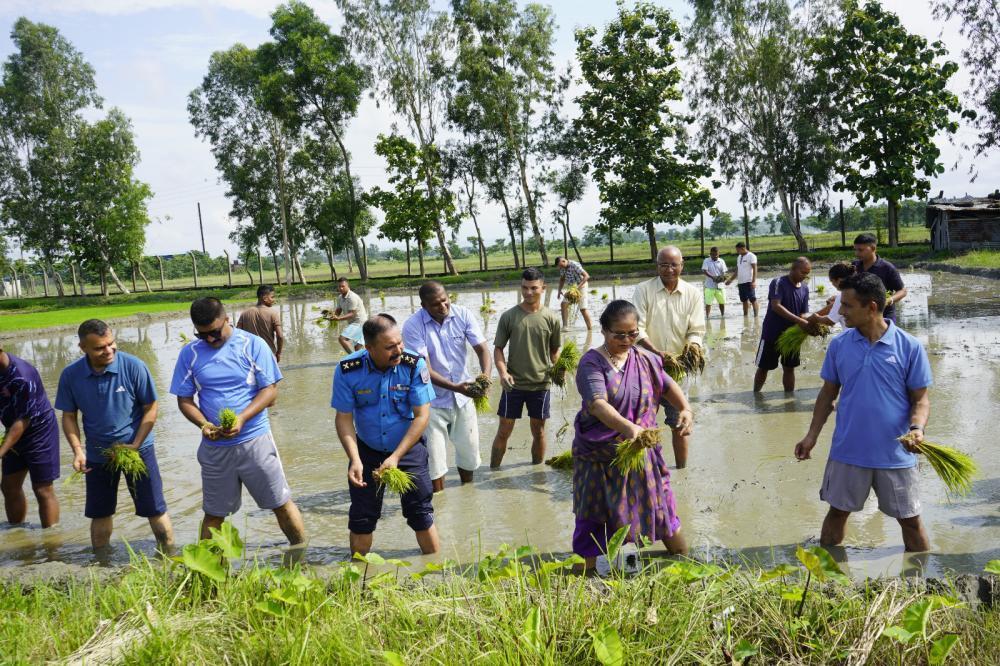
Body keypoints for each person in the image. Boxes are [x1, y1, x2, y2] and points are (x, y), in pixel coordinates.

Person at [794, 272, 932, 552]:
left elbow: (921, 399)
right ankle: (828, 582)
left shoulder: (909, 347)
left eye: (846, 306)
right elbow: (827, 395)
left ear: (871, 307)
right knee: (837, 513)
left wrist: (917, 429)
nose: (840, 312)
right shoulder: (840, 345)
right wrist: (811, 436)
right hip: (848, 450)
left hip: (895, 455)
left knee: (910, 521)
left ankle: (921, 582)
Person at [170, 297, 305, 546]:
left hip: (255, 441)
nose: (210, 339)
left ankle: (300, 556)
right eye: (202, 335)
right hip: (215, 448)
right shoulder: (189, 354)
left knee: (281, 504)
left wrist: (242, 418)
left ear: (227, 319)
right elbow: (185, 399)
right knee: (213, 515)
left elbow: (270, 391)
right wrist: (203, 424)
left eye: (215, 332)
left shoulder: (253, 345)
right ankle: (209, 576)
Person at [571, 300, 693, 572]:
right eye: (619, 334)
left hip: (642, 453)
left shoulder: (646, 359)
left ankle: (682, 559)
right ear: (604, 331)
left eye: (632, 333)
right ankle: (584, 573)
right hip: (600, 457)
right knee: (594, 513)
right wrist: (630, 429)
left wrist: (685, 408)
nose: (627, 340)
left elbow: (667, 385)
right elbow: (597, 404)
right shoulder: (591, 363)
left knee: (660, 503)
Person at [55, 320, 174, 553]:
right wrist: (78, 451)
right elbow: (69, 416)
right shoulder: (71, 375)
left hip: (138, 450)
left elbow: (151, 407)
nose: (108, 351)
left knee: (154, 508)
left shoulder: (134, 366)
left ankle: (169, 555)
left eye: (111, 343)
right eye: (100, 347)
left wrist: (136, 443)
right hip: (98, 454)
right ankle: (101, 562)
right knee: (100, 512)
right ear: (83, 348)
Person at [332, 314, 439, 555]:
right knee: (362, 518)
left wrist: (396, 457)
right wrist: (355, 459)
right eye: (390, 347)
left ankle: (435, 572)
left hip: (408, 449)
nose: (399, 350)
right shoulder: (348, 370)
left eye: (399, 343)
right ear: (368, 348)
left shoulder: (414, 366)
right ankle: (358, 580)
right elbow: (344, 419)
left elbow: (422, 416)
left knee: (421, 513)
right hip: (367, 452)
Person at [402, 282, 492, 492]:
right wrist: (455, 387)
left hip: (464, 398)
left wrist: (485, 378)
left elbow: (482, 349)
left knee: (469, 453)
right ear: (423, 305)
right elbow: (423, 369)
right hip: (430, 402)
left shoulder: (463, 314)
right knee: (435, 460)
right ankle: (439, 502)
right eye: (435, 304)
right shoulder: (413, 326)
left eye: (445, 300)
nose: (443, 306)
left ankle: (468, 495)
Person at [632, 246, 705, 468]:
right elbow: (636, 328)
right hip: (645, 368)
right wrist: (656, 353)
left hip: (676, 371)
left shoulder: (692, 293)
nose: (669, 269)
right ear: (657, 266)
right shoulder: (643, 290)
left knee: (679, 421)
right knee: (643, 423)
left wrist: (692, 347)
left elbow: (697, 329)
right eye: (664, 264)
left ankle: (682, 470)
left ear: (682, 265)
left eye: (674, 264)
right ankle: (646, 469)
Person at [491, 267, 562, 469]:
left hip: (541, 385)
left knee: (538, 431)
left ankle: (537, 471)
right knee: (504, 430)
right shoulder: (509, 316)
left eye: (533, 288)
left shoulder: (551, 318)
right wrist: (502, 373)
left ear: (543, 288)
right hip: (512, 385)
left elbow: (555, 350)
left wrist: (559, 369)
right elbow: (498, 349)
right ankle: (494, 470)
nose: (528, 292)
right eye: (524, 288)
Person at [0, 342, 60, 528]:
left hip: (38, 432)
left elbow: (23, 421)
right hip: (12, 430)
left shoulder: (22, 376)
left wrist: (0, 452)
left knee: (42, 489)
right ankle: (16, 531)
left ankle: (52, 544)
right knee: (9, 486)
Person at [753, 257, 812, 393]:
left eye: (807, 273)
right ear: (793, 269)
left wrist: (810, 323)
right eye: (803, 272)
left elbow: (804, 313)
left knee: (789, 368)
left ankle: (789, 398)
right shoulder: (778, 282)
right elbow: (776, 306)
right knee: (764, 367)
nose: (805, 276)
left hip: (792, 336)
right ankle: (756, 394)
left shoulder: (804, 288)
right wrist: (800, 321)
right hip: (772, 333)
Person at [853, 233, 906, 322]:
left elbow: (902, 291)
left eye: (860, 250)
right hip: (862, 315)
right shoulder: (854, 267)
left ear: (873, 248)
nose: (857, 253)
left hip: (884, 317)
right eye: (855, 250)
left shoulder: (887, 268)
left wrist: (889, 300)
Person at [237, 284, 284, 362]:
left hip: (250, 355)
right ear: (265, 298)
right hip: (268, 354)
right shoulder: (273, 313)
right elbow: (280, 336)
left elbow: (237, 335)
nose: (274, 300)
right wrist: (278, 353)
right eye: (272, 297)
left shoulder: (245, 313)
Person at [808, 263, 855, 330]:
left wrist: (816, 318)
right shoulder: (857, 290)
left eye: (832, 281)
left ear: (839, 280)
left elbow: (830, 321)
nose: (832, 284)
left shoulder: (843, 296)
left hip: (851, 336)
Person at [329, 277, 368, 353]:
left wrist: (338, 319)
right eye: (339, 286)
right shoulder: (340, 298)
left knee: (342, 339)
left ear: (348, 286)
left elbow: (352, 314)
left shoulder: (352, 297)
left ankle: (353, 357)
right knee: (358, 348)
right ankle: (359, 359)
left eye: (343, 286)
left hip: (359, 323)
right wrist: (332, 315)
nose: (341, 288)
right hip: (353, 323)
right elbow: (338, 310)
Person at [555, 256, 593, 330]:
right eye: (559, 267)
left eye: (561, 265)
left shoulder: (574, 265)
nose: (561, 268)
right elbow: (562, 279)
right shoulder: (562, 268)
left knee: (583, 309)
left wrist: (577, 288)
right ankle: (565, 327)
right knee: (563, 304)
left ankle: (590, 329)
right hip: (572, 288)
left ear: (564, 261)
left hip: (582, 286)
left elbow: (586, 276)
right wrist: (559, 291)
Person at [726, 242, 758, 317]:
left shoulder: (751, 256)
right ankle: (745, 316)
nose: (737, 252)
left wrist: (753, 281)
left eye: (738, 250)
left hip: (749, 281)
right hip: (741, 282)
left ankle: (756, 316)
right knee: (743, 300)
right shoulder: (739, 257)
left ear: (743, 248)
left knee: (752, 299)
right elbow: (737, 270)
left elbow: (755, 268)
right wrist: (730, 280)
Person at [701, 246, 728, 318]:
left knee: (722, 302)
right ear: (710, 254)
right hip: (709, 286)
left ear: (719, 254)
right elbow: (705, 271)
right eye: (713, 255)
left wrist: (723, 277)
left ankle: (722, 315)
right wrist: (713, 277)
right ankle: (707, 317)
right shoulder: (706, 260)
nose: (715, 256)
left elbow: (724, 272)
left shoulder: (721, 261)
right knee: (708, 303)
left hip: (720, 286)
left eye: (716, 255)